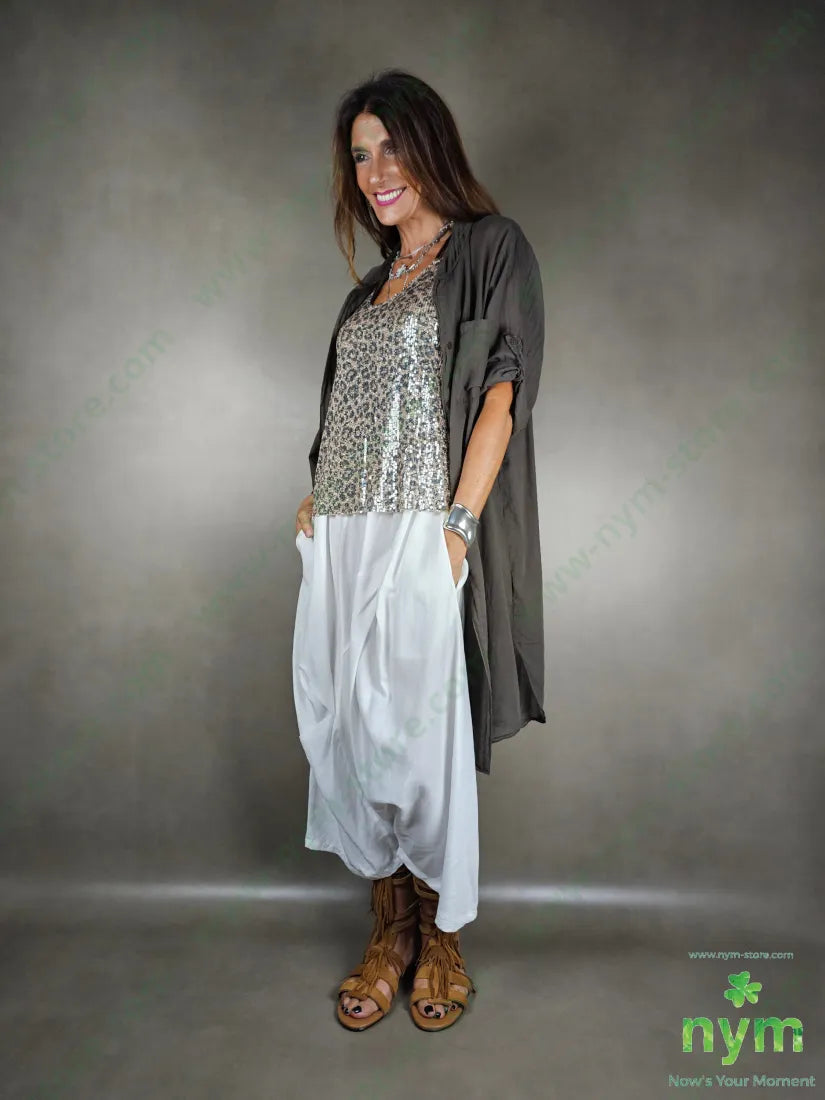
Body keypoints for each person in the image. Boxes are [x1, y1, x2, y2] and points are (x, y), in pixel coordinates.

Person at [292, 69, 546, 1032]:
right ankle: (388, 927)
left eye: (391, 147)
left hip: (422, 525)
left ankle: (439, 934)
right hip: (344, 533)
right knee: (352, 728)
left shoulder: (488, 250)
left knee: (418, 732)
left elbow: (501, 395)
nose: (375, 171)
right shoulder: (367, 291)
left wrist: (457, 528)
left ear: (430, 145)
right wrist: (319, 492)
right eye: (360, 156)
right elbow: (349, 414)